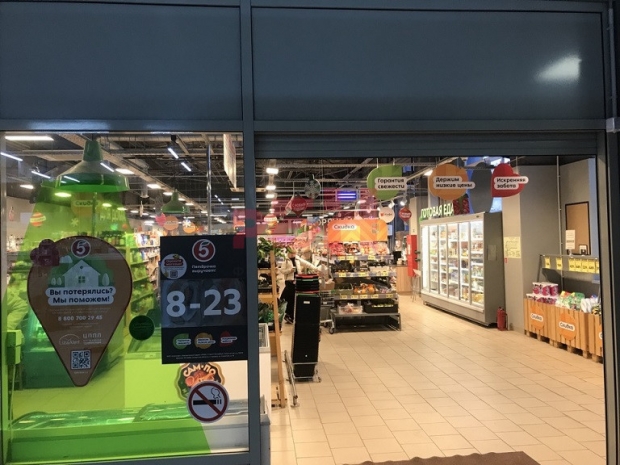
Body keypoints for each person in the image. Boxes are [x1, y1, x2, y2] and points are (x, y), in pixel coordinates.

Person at [279, 247, 298, 324]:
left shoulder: (297, 260)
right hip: (289, 282)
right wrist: (290, 270)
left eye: (294, 253)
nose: (293, 255)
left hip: (296, 281)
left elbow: (307, 264)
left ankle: (290, 315)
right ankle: (289, 315)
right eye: (291, 253)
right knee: (289, 298)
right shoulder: (286, 261)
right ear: (288, 253)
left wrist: (316, 268)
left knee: (292, 299)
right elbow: (282, 270)